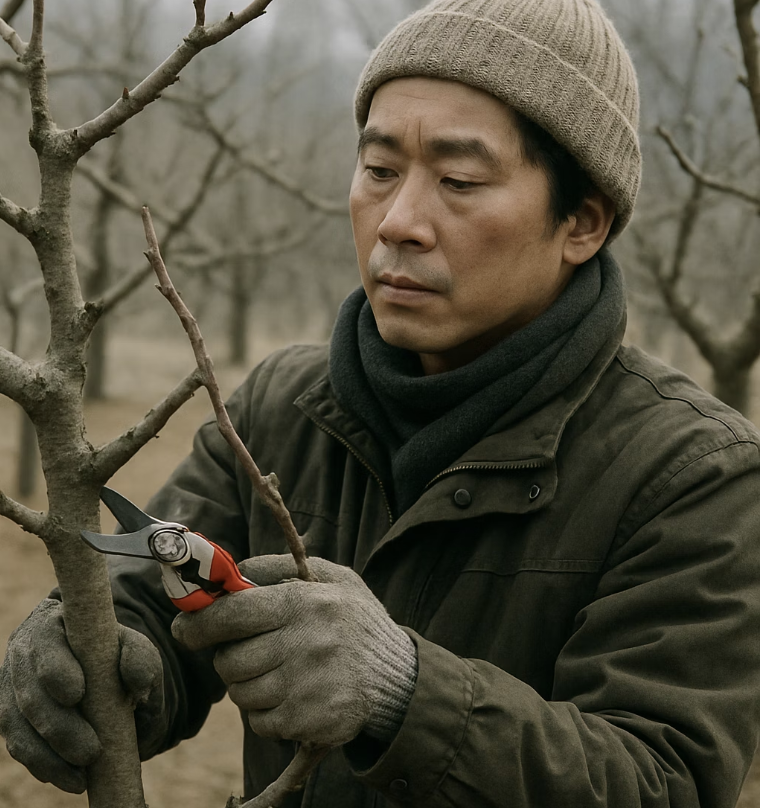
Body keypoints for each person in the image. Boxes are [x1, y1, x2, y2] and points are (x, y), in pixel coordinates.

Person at [3, 0, 760, 805]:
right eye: (380, 170)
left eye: (460, 181)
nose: (398, 222)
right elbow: (157, 606)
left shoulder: (699, 477)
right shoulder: (276, 410)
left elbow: (662, 779)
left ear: (582, 222)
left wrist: (405, 696)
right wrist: (88, 656)